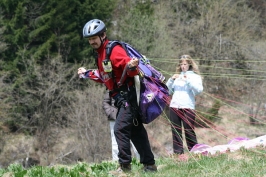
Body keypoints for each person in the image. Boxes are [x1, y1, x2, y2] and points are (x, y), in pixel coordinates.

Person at [77, 19, 157, 173]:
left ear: (103, 35)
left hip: (129, 95)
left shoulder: (113, 50)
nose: (92, 42)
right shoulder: (100, 54)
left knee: (120, 129)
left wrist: (132, 66)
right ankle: (150, 165)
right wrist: (86, 73)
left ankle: (125, 168)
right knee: (135, 130)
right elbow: (104, 76)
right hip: (120, 97)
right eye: (90, 39)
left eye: (94, 38)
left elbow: (130, 67)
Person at [166, 54, 203, 155]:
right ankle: (178, 153)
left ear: (189, 64)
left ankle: (194, 152)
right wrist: (171, 80)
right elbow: (168, 91)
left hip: (188, 106)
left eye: (185, 64)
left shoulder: (195, 77)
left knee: (188, 130)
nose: (183, 66)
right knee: (176, 130)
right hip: (174, 106)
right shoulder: (177, 77)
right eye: (181, 64)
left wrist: (188, 80)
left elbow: (199, 90)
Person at [102, 91, 140, 161]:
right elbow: (105, 103)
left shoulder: (127, 89)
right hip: (114, 118)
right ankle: (117, 160)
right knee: (115, 142)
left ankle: (139, 159)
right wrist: (111, 114)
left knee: (134, 138)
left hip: (128, 115)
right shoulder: (111, 89)